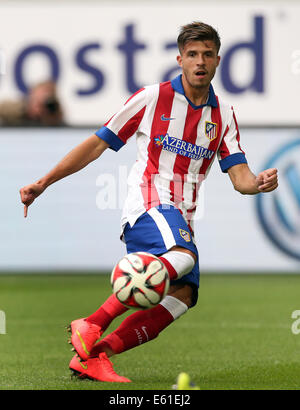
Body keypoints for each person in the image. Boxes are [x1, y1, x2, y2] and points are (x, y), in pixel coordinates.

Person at [19, 22, 278, 383]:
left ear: (218, 60)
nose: (199, 62)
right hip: (148, 204)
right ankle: (91, 323)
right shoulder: (152, 98)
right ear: (180, 59)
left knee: (182, 296)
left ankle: (94, 355)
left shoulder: (223, 115)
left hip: (181, 217)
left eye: (206, 54)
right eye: (192, 55)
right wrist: (44, 182)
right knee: (184, 257)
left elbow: (240, 178)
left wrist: (259, 183)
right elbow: (96, 144)